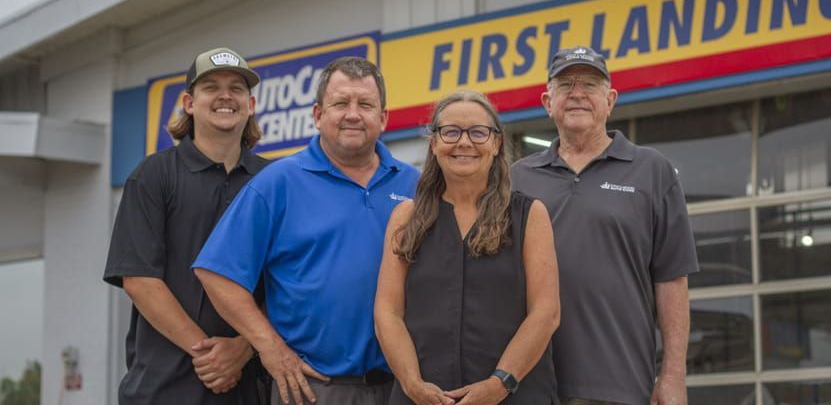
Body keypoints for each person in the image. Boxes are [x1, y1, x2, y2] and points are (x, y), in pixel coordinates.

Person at [193, 56, 420, 405]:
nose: (353, 114)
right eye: (341, 103)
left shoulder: (415, 184)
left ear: (383, 118)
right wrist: (269, 349)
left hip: (401, 387)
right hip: (313, 389)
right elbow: (216, 273)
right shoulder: (277, 183)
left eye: (365, 104)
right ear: (317, 115)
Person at [511, 47, 698, 405]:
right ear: (548, 102)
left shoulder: (651, 170)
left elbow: (672, 279)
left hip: (621, 382)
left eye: (590, 84)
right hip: (531, 383)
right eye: (565, 85)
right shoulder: (518, 177)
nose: (577, 93)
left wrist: (672, 375)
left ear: (610, 100)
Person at [103, 47, 269, 404]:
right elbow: (141, 280)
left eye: (236, 88)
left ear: (250, 104)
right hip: (163, 389)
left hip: (251, 388)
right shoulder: (153, 175)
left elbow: (289, 282)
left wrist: (244, 348)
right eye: (211, 86)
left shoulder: (274, 180)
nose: (225, 96)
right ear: (189, 102)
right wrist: (211, 356)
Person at [375, 90, 560, 405]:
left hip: (516, 395)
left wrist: (499, 384)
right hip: (423, 399)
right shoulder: (406, 217)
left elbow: (546, 312)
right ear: (434, 144)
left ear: (496, 143)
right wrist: (412, 384)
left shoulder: (529, 215)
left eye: (478, 132)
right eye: (451, 132)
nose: (464, 142)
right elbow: (387, 312)